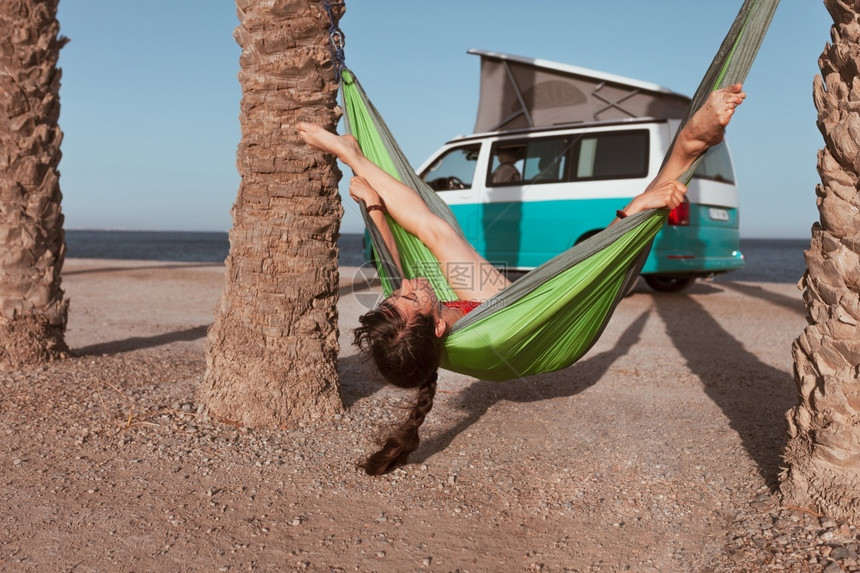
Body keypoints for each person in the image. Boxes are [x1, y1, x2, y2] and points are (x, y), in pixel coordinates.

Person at [297, 83, 746, 475]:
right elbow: (574, 279)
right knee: (442, 232)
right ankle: (685, 149)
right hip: (528, 328)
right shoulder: (487, 329)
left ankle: (687, 151)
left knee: (438, 236)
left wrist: (374, 208)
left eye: (395, 297)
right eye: (408, 299)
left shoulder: (421, 338)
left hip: (501, 319)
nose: (406, 288)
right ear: (435, 327)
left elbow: (401, 269)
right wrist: (349, 156)